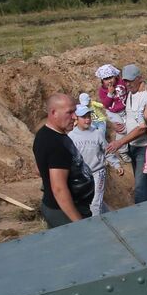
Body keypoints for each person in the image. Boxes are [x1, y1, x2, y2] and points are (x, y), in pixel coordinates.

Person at [33, 94, 94, 227]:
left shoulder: (45, 134)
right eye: (69, 112)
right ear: (54, 113)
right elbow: (59, 189)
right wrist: (79, 223)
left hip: (65, 207)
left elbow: (38, 169)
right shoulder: (55, 144)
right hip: (64, 211)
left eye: (74, 112)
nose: (74, 117)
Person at [106, 65, 147, 203]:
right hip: (133, 146)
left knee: (141, 188)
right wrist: (118, 125)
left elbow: (141, 128)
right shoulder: (130, 94)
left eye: (130, 80)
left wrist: (120, 142)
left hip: (145, 147)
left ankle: (140, 218)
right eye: (125, 81)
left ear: (139, 78)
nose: (127, 84)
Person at [68, 104, 111, 215]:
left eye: (89, 116)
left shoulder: (97, 134)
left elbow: (107, 149)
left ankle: (96, 229)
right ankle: (111, 216)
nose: (87, 120)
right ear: (76, 118)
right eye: (84, 117)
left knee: (95, 203)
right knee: (89, 201)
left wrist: (116, 164)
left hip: (98, 172)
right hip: (81, 175)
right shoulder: (71, 136)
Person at [96, 65, 129, 165]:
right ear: (102, 81)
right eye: (106, 79)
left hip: (125, 108)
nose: (109, 81)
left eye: (110, 77)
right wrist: (110, 94)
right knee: (121, 129)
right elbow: (106, 104)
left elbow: (127, 91)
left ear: (115, 76)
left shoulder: (121, 83)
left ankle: (130, 144)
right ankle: (123, 151)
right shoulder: (102, 91)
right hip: (113, 112)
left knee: (130, 126)